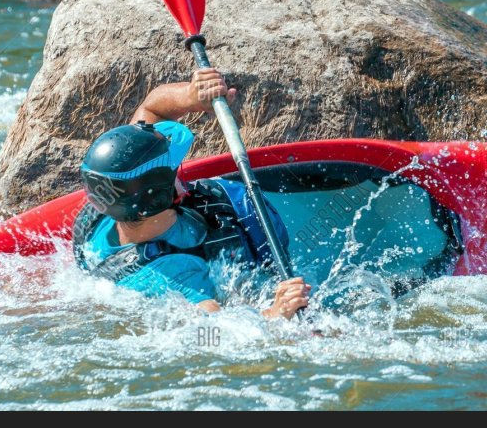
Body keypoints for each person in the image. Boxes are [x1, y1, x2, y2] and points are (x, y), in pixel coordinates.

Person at [73, 68, 310, 319]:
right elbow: (218, 327)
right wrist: (275, 313)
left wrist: (190, 96)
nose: (181, 170)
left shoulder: (103, 213)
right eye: (174, 169)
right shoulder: (181, 276)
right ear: (158, 194)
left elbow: (152, 109)